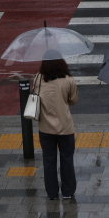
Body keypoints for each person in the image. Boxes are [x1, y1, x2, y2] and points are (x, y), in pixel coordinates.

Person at [34, 50, 78, 200]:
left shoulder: (38, 79)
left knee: (49, 160)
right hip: (65, 127)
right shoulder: (68, 80)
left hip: (45, 127)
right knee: (67, 158)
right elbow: (73, 100)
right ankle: (68, 191)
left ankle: (52, 193)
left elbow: (35, 97)